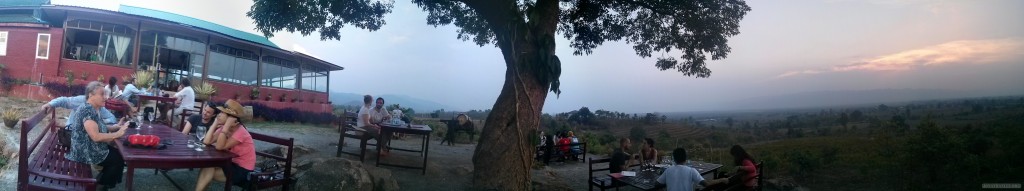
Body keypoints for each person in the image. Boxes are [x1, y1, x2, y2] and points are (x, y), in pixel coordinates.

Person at [64, 81, 130, 191]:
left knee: (118, 154)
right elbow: (95, 136)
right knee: (117, 160)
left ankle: (103, 182)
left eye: (106, 94)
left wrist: (115, 127)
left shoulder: (93, 108)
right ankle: (100, 186)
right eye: (102, 94)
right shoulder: (87, 111)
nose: (105, 97)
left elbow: (98, 126)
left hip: (87, 146)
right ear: (90, 94)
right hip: (84, 151)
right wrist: (118, 134)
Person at [196, 99, 255, 191]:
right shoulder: (224, 128)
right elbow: (207, 141)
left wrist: (226, 126)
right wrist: (215, 123)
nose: (219, 115)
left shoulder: (241, 132)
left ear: (232, 119)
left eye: (222, 113)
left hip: (242, 170)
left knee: (207, 170)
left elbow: (219, 147)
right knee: (208, 167)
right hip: (229, 163)